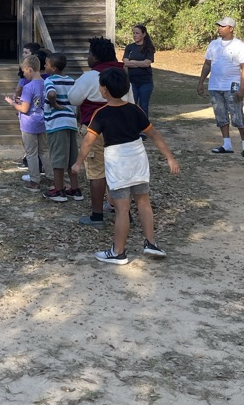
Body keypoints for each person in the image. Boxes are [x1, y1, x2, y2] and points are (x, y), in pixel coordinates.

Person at [71, 67, 179, 265]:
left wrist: (78, 163)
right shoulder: (134, 109)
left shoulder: (100, 114)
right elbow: (154, 134)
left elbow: (88, 141)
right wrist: (169, 158)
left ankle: (118, 252)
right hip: (138, 159)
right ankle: (151, 243)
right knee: (143, 203)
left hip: (117, 161)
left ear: (103, 90)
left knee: (122, 209)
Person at [68, 37, 132, 226]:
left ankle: (97, 216)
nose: (87, 57)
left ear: (95, 57)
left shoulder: (89, 77)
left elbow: (74, 99)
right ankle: (124, 213)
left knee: (97, 171)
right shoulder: (122, 75)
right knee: (119, 171)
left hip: (94, 130)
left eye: (89, 54)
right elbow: (132, 103)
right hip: (121, 130)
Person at [197, 17, 244, 158]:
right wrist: (201, 82)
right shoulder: (214, 44)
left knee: (238, 115)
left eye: (223, 26)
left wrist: (242, 87)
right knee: (221, 115)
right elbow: (207, 64)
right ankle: (226, 144)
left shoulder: (239, 46)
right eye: (219, 26)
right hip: (215, 86)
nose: (219, 28)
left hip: (232, 86)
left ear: (231, 28)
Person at [5, 53, 53, 191]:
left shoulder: (28, 87)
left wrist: (13, 103)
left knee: (31, 152)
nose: (23, 74)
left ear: (30, 69)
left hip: (29, 124)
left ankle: (34, 181)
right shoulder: (46, 83)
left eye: (24, 71)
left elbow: (25, 109)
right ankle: (51, 179)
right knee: (45, 151)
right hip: (43, 121)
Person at [41, 52, 82, 202]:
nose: (44, 66)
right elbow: (79, 99)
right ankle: (75, 189)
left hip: (56, 124)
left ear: (52, 68)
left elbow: (51, 94)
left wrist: (54, 104)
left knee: (58, 158)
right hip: (71, 123)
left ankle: (58, 190)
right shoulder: (71, 80)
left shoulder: (49, 80)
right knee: (72, 157)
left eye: (46, 64)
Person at [123, 24, 155, 122]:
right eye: (133, 33)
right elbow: (125, 63)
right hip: (132, 82)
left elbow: (147, 63)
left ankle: (143, 130)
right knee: (131, 106)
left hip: (145, 82)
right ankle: (132, 129)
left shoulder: (149, 48)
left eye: (137, 33)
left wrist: (133, 62)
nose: (135, 35)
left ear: (144, 34)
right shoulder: (129, 47)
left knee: (143, 107)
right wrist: (138, 63)